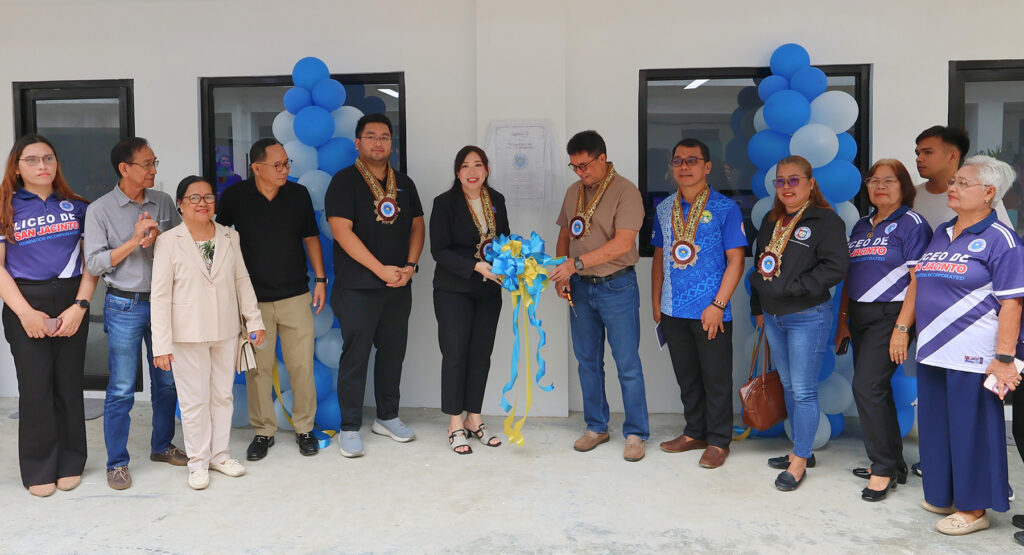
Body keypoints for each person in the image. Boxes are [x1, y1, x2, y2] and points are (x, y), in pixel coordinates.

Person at [896, 155, 1024, 535]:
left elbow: (1013, 303)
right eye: (953, 182)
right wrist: (902, 328)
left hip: (975, 356)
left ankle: (974, 509)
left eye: (962, 183)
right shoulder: (942, 231)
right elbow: (919, 282)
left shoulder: (1003, 240)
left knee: (972, 431)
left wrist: (1004, 358)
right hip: (934, 351)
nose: (952, 187)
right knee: (936, 428)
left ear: (988, 193)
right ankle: (944, 494)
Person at [151, 176, 266, 490]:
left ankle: (220, 455)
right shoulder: (168, 241)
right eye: (194, 198)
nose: (202, 203)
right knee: (194, 400)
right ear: (180, 204)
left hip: (225, 329)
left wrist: (254, 321)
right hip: (186, 333)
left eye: (208, 197)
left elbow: (242, 280)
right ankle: (198, 462)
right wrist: (161, 344)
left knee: (222, 396)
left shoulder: (230, 236)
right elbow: (160, 295)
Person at [84, 137, 185, 490]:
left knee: (167, 383)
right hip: (123, 304)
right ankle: (117, 463)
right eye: (147, 164)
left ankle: (162, 446)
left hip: (163, 304)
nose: (153, 169)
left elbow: (181, 247)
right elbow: (94, 263)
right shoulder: (99, 209)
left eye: (155, 162)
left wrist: (159, 238)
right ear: (124, 168)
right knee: (122, 388)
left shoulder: (163, 201)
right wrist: (133, 240)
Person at [217, 138, 326, 461]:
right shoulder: (236, 196)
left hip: (296, 295)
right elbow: (219, 238)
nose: (285, 170)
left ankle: (305, 428)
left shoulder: (298, 194)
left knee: (301, 366)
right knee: (258, 370)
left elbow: (311, 238)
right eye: (278, 165)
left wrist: (320, 280)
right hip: (253, 302)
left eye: (287, 163)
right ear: (257, 168)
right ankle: (263, 431)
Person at [0, 134, 96, 496]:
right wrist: (25, 313)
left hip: (71, 301)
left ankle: (71, 462)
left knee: (68, 386)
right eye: (32, 160)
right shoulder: (5, 207)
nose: (42, 166)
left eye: (48, 158)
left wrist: (80, 307)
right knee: (35, 388)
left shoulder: (78, 207)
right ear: (16, 167)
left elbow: (90, 264)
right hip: (25, 302)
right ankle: (39, 468)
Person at [325, 113, 424, 457]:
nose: (378, 142)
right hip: (358, 287)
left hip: (398, 284)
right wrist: (380, 270)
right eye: (371, 136)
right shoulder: (344, 181)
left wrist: (410, 266)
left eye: (384, 137)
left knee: (393, 353)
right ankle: (350, 426)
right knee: (356, 357)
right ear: (358, 142)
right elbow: (342, 232)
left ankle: (387, 416)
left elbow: (417, 226)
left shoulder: (405, 183)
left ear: (391, 144)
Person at [834, 159, 932, 501]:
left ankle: (883, 469)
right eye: (873, 180)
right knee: (876, 389)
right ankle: (894, 463)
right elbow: (850, 275)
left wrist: (903, 327)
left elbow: (919, 280)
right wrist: (843, 319)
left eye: (888, 180)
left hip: (892, 315)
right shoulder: (861, 225)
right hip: (859, 315)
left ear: (903, 186)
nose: (880, 186)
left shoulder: (912, 223)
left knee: (866, 386)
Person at [548, 130, 649, 462]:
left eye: (585, 165)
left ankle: (636, 433)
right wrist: (562, 272)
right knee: (587, 362)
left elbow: (623, 243)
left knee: (627, 363)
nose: (580, 172)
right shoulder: (573, 192)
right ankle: (596, 427)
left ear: (602, 158)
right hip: (579, 287)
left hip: (616, 286)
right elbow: (565, 235)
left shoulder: (626, 191)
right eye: (574, 166)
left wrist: (575, 264)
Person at [750, 155, 848, 491]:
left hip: (807, 316)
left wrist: (793, 288)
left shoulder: (826, 221)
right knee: (789, 386)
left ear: (810, 183)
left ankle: (800, 461)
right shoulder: (771, 220)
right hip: (773, 317)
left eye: (794, 180)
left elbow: (835, 267)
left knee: (804, 390)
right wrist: (759, 305)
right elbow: (759, 265)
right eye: (780, 181)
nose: (787, 187)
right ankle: (800, 449)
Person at [650, 139, 746, 469]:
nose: (684, 166)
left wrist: (718, 304)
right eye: (678, 160)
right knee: (687, 376)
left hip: (711, 310)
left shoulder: (725, 208)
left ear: (707, 166)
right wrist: (656, 302)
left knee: (715, 378)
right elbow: (659, 258)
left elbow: (736, 260)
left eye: (692, 160)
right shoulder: (664, 208)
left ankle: (718, 440)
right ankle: (694, 432)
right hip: (673, 308)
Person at [430, 146, 510, 454]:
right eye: (465, 166)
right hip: (454, 290)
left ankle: (474, 418)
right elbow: (439, 250)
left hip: (489, 291)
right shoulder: (444, 203)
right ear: (457, 172)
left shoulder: (497, 200)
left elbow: (505, 239)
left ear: (487, 169)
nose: (472, 171)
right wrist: (475, 266)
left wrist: (512, 264)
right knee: (455, 354)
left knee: (481, 354)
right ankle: (455, 423)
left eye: (478, 165)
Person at [913, 126, 1011, 231]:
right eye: (918, 153)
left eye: (928, 152)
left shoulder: (982, 197)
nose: (918, 159)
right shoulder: (910, 195)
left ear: (952, 156)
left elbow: (1004, 237)